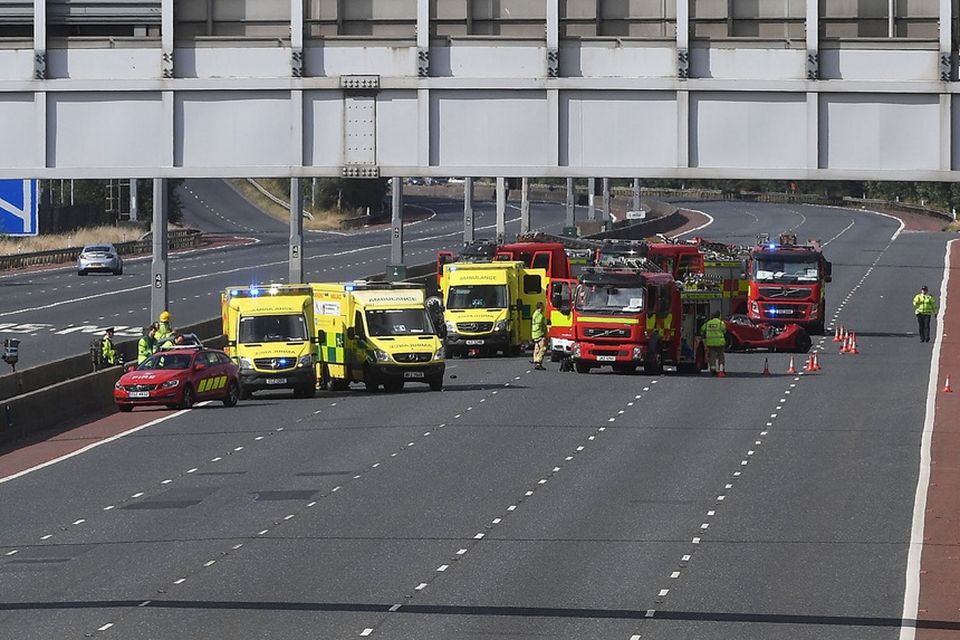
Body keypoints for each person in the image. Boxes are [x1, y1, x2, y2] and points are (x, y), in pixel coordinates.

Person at [701, 310, 727, 376]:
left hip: (710, 343)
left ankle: (713, 369)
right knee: (721, 356)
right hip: (720, 343)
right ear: (719, 316)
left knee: (712, 356)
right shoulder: (721, 323)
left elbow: (702, 330)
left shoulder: (708, 323)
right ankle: (721, 370)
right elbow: (724, 331)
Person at [531, 301, 548, 370]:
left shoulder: (534, 314)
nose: (544, 308)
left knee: (537, 348)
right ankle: (538, 362)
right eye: (543, 307)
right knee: (543, 348)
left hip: (534, 334)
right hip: (539, 334)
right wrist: (544, 334)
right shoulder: (540, 316)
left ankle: (535, 360)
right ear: (540, 307)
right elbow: (541, 326)